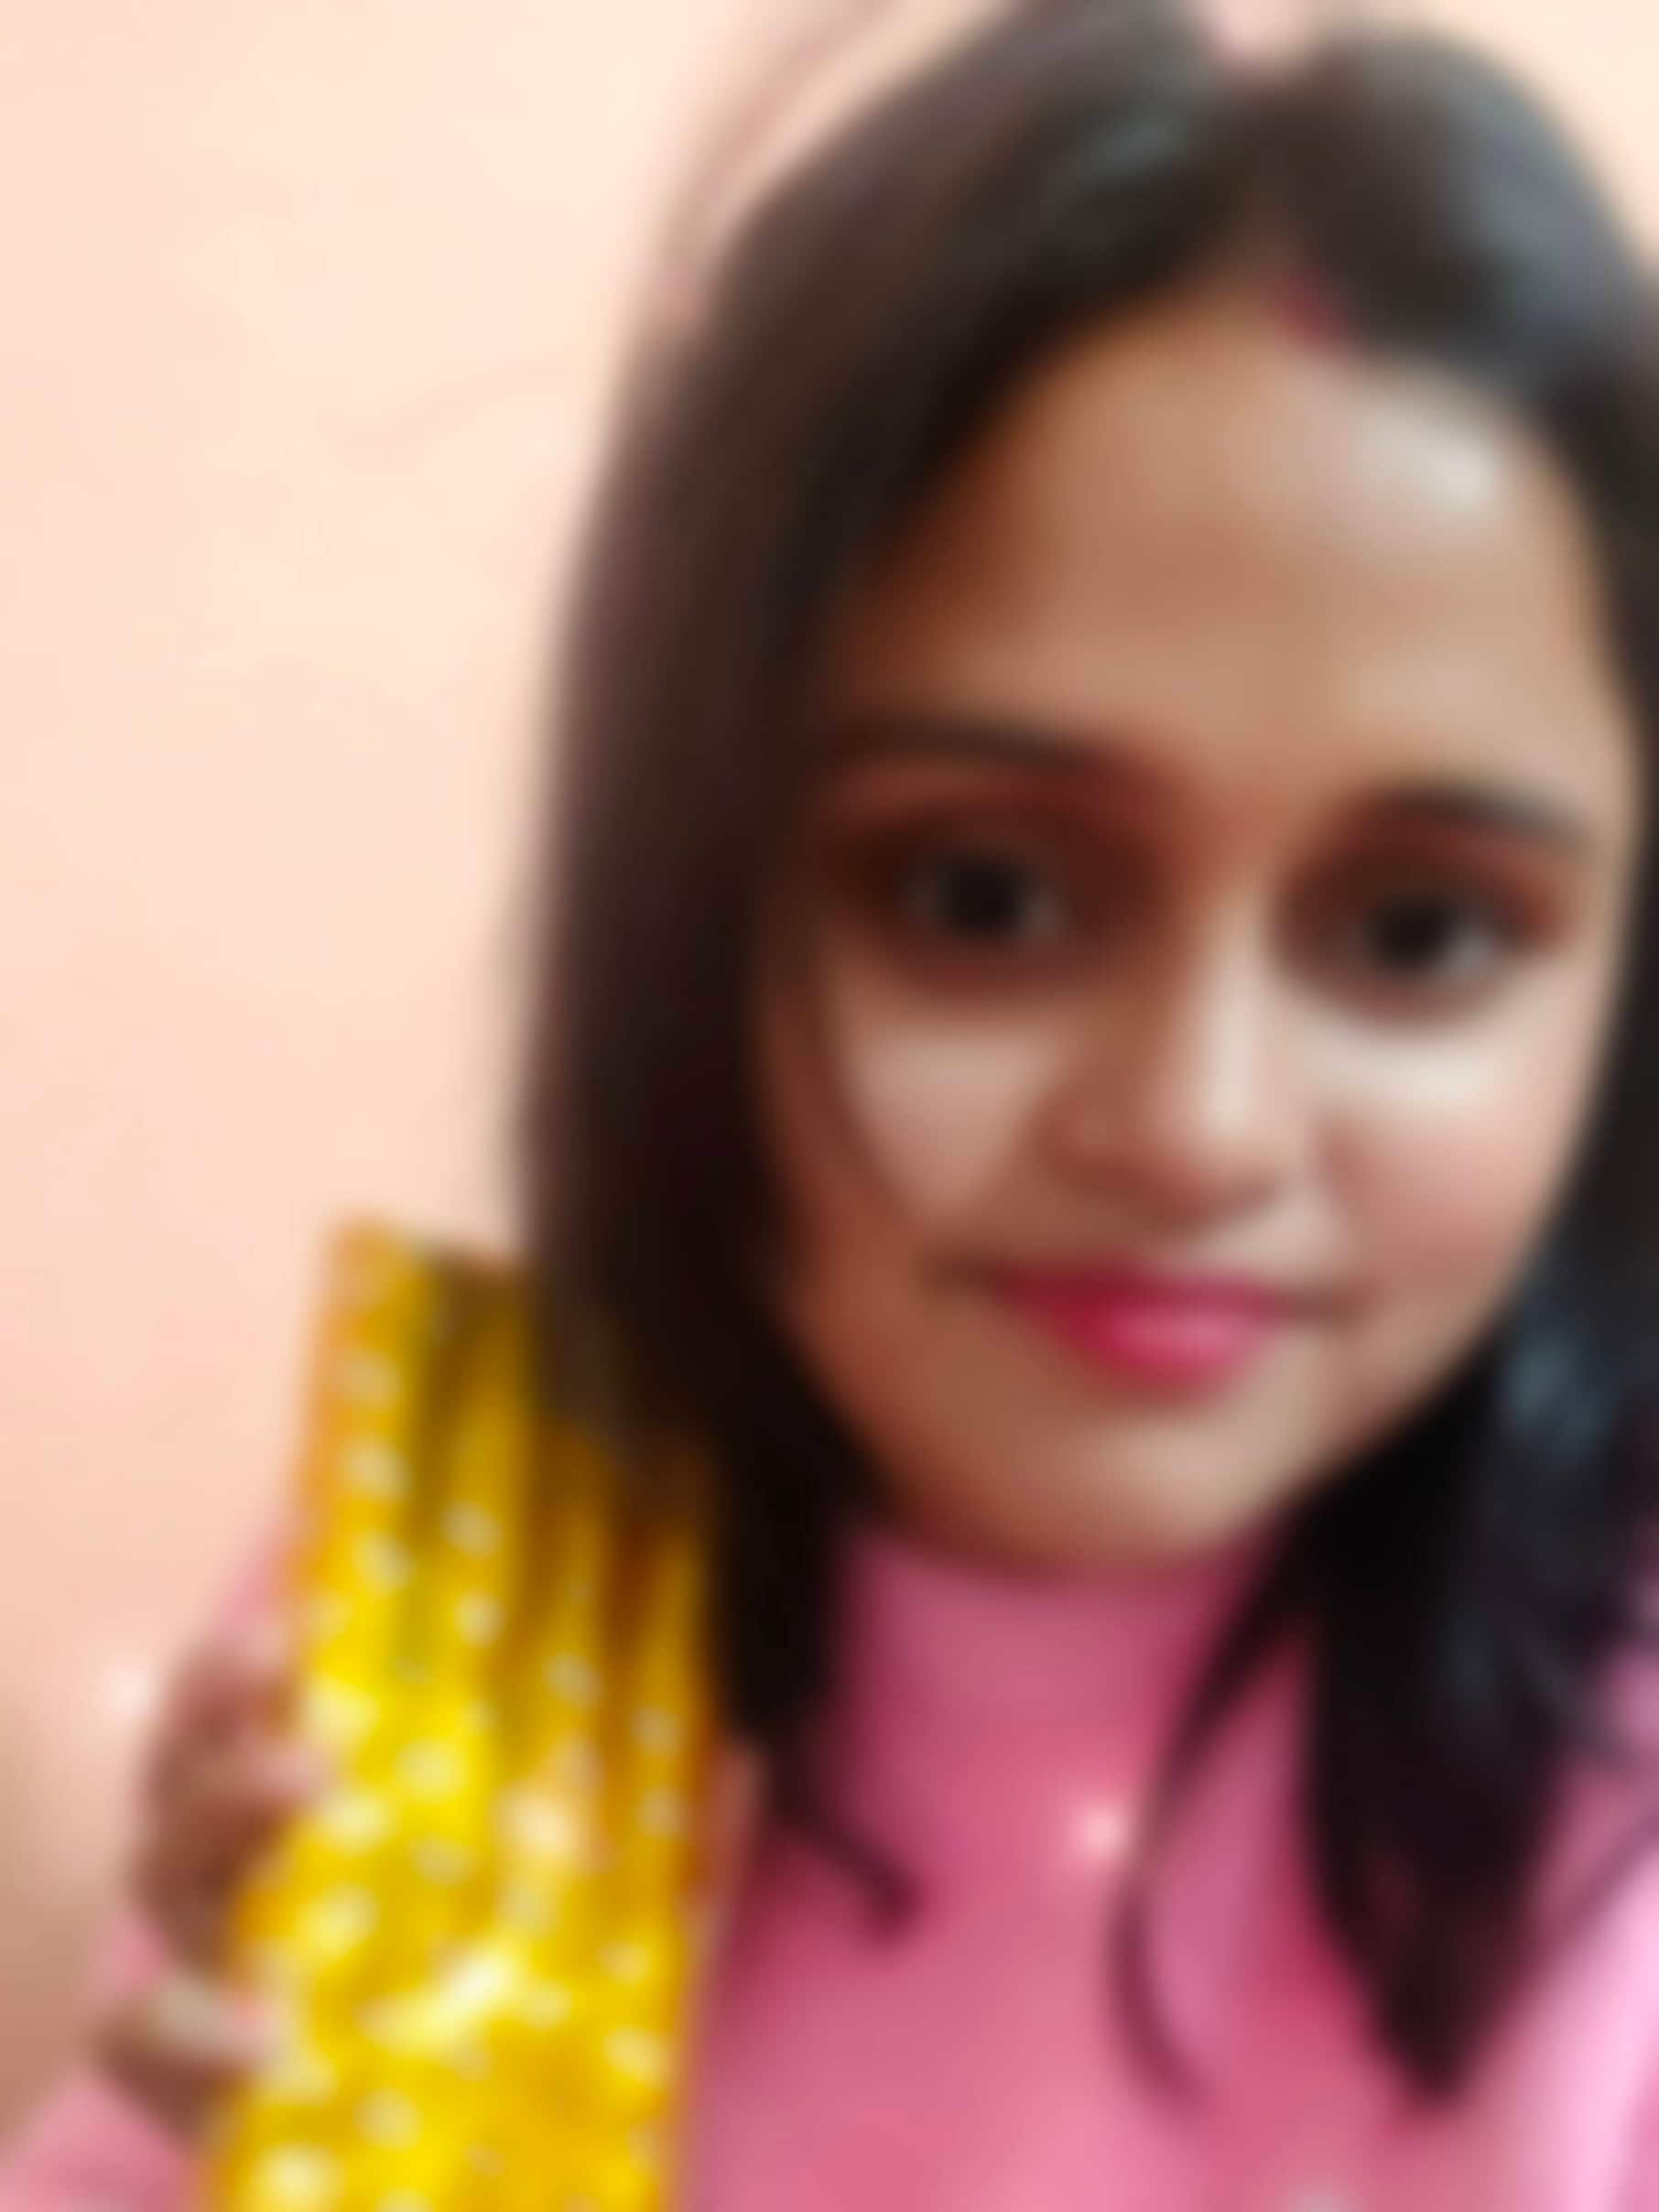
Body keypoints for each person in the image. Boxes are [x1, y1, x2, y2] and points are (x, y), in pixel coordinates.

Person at [10, 0, 1659, 2203]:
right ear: (690, 888)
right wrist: (186, 2149)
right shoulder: (449, 1600)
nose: (1199, 1123)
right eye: (984, 896)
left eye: (1421, 931)